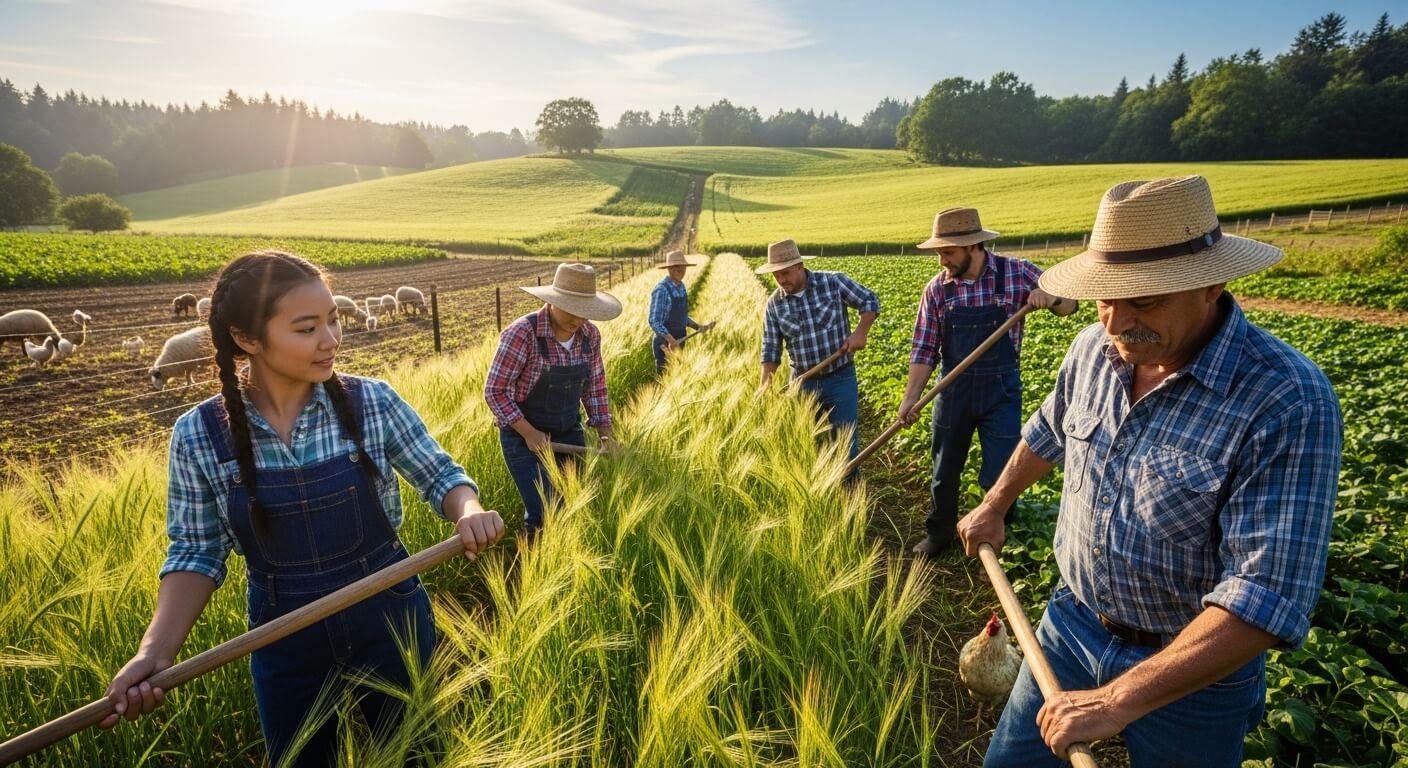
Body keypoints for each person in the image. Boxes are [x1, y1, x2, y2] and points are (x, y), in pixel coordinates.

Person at [957, 176, 1342, 767]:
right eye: (1106, 297)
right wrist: (996, 502)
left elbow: (1266, 595)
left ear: (1210, 283)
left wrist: (1117, 699)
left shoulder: (1285, 399)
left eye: (1144, 299)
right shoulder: (1091, 348)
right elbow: (1049, 430)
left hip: (1194, 675)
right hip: (1068, 627)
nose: (1115, 322)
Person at [102, 250, 505, 768]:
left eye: (334, 320)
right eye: (307, 327)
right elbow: (196, 554)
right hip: (283, 631)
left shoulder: (372, 402)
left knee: (417, 753)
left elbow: (442, 476)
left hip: (389, 613)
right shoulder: (198, 436)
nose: (332, 339)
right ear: (247, 339)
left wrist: (467, 510)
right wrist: (154, 653)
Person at [898, 208, 1077, 556]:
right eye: (939, 253)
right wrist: (910, 398)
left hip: (1001, 391)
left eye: (948, 252)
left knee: (1001, 470)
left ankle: (995, 536)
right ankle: (939, 534)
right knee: (944, 471)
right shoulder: (937, 290)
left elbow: (1070, 304)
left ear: (973, 246)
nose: (942, 261)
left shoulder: (1018, 272)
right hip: (953, 391)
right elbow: (923, 350)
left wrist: (1050, 298)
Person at [485, 262, 620, 538]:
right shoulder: (523, 334)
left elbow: (595, 387)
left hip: (569, 432)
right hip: (523, 436)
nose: (577, 318)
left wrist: (606, 435)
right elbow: (495, 391)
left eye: (584, 311)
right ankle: (535, 574)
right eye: (570, 307)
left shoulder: (590, 336)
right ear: (552, 302)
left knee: (573, 503)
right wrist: (529, 432)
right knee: (544, 511)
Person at [757, 238, 879, 463]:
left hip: (840, 378)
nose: (781, 280)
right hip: (802, 384)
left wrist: (861, 332)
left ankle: (850, 492)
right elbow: (771, 348)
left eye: (785, 273)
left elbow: (869, 300)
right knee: (812, 449)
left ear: (799, 266)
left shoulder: (833, 282)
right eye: (776, 275)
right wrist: (765, 385)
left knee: (845, 447)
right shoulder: (774, 304)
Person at [649, 249, 714, 374]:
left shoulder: (681, 286)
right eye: (676, 267)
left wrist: (698, 326)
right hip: (665, 345)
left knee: (678, 377)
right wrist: (671, 340)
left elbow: (681, 316)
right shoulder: (662, 290)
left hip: (680, 340)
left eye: (683, 267)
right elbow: (654, 321)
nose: (681, 270)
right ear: (669, 268)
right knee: (665, 380)